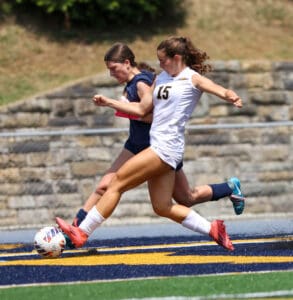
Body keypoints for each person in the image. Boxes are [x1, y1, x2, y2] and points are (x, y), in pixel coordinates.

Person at [57, 37, 244, 251]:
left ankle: (82, 232)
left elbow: (218, 89)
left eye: (162, 60)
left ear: (177, 58)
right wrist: (109, 102)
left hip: (166, 147)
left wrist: (232, 97)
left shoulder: (192, 78)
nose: (159, 65)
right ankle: (212, 229)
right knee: (162, 207)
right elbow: (141, 110)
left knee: (116, 183)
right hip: (159, 147)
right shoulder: (162, 78)